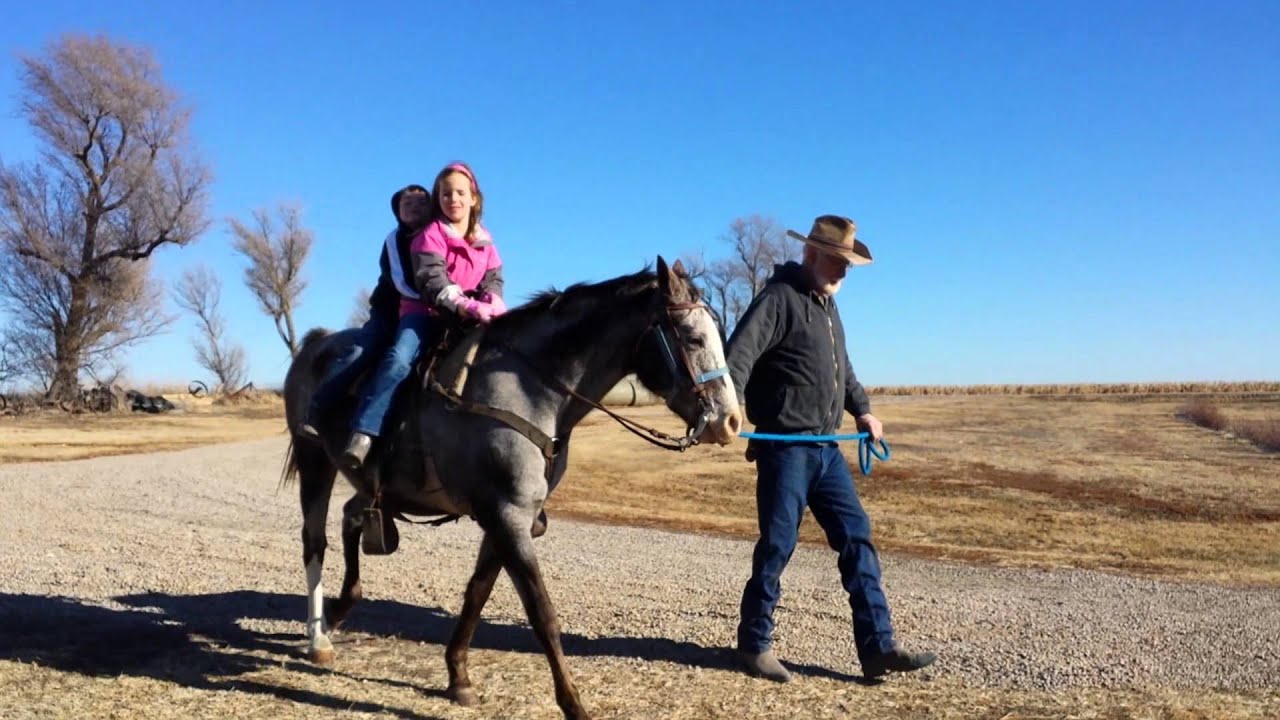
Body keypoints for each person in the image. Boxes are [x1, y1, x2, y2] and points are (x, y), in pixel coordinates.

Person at [725, 214, 936, 683]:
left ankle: (878, 648)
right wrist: (729, 406)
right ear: (812, 253)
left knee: (857, 537)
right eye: (838, 261)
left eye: (848, 264)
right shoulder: (778, 299)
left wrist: (863, 411)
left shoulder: (828, 307)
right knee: (778, 544)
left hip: (826, 451)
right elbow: (739, 356)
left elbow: (844, 372)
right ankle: (754, 645)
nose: (843, 271)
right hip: (786, 450)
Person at [340, 162, 506, 470]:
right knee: (399, 359)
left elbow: (493, 277)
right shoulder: (430, 235)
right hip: (424, 313)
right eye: (446, 193)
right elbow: (432, 279)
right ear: (438, 200)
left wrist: (492, 300)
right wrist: (466, 305)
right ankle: (364, 430)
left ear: (474, 198)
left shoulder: (485, 240)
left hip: (467, 317)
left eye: (460, 193)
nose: (453, 199)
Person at [300, 184, 431, 439]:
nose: (414, 207)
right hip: (390, 311)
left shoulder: (438, 235)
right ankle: (317, 408)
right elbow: (401, 281)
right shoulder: (394, 240)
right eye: (407, 204)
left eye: (421, 202)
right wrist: (439, 298)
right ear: (398, 212)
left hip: (429, 311)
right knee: (362, 351)